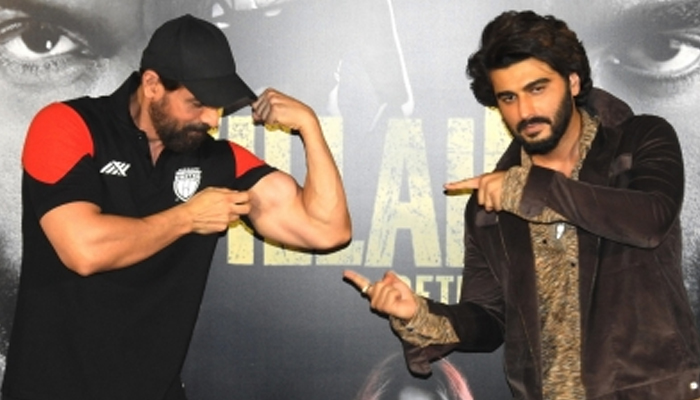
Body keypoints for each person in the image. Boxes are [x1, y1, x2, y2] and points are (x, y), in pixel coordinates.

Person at [345, 10, 700, 400]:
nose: (525, 111)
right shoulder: (489, 208)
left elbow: (650, 220)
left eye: (537, 88)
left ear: (573, 82)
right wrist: (421, 316)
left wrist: (531, 189)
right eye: (508, 97)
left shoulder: (639, 140)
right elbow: (490, 320)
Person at [1, 13, 350, 400]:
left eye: (218, 106)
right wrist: (188, 217)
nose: (212, 119)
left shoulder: (219, 161)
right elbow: (83, 250)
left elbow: (328, 229)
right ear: (152, 85)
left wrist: (309, 127)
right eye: (197, 103)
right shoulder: (67, 126)